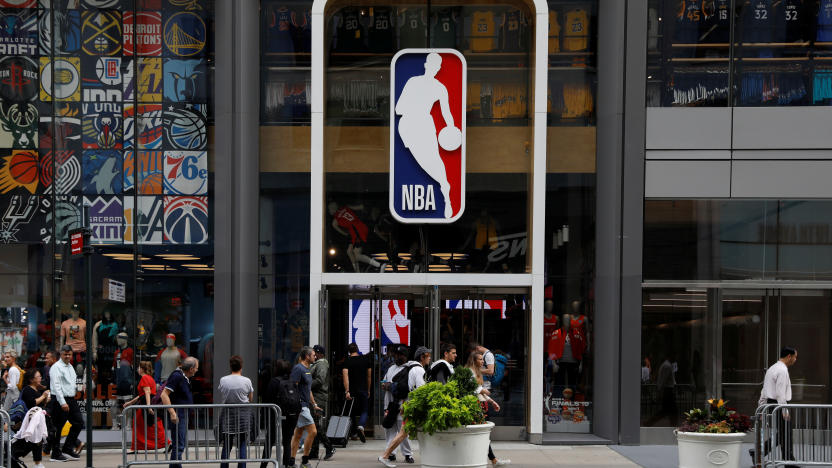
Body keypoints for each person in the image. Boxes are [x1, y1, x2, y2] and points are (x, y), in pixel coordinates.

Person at [395, 52, 459, 218]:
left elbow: (447, 113)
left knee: (434, 158)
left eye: (437, 66)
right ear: (426, 65)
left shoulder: (440, 88)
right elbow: (398, 108)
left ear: (438, 68)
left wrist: (451, 129)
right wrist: (414, 108)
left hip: (425, 124)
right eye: (432, 65)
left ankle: (446, 193)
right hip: (408, 125)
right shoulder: (413, 81)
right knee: (424, 161)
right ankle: (444, 185)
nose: (434, 68)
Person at [378, 346, 431, 467]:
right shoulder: (416, 369)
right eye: (396, 354)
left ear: (406, 356)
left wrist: (390, 386)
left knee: (403, 433)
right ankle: (387, 455)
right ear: (422, 357)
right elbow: (420, 390)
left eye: (400, 355)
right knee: (400, 432)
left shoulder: (409, 368)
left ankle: (399, 454)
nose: (397, 357)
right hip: (405, 405)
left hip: (404, 405)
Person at [466, 351, 510, 467]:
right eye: (480, 359)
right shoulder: (470, 372)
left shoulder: (477, 372)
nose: (483, 361)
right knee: (482, 434)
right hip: (476, 406)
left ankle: (492, 460)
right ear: (474, 361)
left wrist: (492, 401)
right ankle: (493, 460)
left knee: (483, 434)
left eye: (483, 359)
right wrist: (482, 390)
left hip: (481, 405)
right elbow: (472, 388)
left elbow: (479, 391)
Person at [759, 346, 798, 468]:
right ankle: (788, 461)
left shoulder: (772, 368)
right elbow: (780, 393)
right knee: (785, 433)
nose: (795, 360)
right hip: (779, 404)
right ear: (789, 356)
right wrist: (785, 410)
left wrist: (761, 406)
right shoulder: (782, 370)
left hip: (772, 404)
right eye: (795, 357)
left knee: (782, 433)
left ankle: (788, 460)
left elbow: (764, 390)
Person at [160, 356, 199, 468]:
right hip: (178, 415)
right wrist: (172, 412)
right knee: (179, 445)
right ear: (191, 368)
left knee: (180, 444)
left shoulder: (183, 377)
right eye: (196, 368)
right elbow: (164, 394)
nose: (197, 370)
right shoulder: (177, 376)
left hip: (182, 414)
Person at [48, 345, 84, 462]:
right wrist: (62, 402)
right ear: (61, 354)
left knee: (78, 422)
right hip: (59, 400)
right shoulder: (56, 367)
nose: (67, 356)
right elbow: (56, 386)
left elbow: (70, 384)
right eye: (65, 354)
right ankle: (55, 454)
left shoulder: (71, 367)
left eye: (69, 354)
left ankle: (67, 448)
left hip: (71, 399)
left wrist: (79, 388)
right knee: (58, 428)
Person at [218, 355, 254, 468]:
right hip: (243, 414)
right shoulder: (247, 381)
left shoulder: (223, 380)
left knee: (227, 444)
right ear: (241, 366)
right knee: (242, 442)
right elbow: (250, 398)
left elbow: (222, 394)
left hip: (228, 414)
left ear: (230, 366)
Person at [123, 361, 168, 452]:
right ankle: (165, 443)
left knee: (143, 427)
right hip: (146, 404)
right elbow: (142, 394)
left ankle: (136, 447)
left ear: (142, 369)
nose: (137, 369)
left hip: (144, 405)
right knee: (151, 426)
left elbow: (147, 393)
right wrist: (130, 403)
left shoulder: (144, 378)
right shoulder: (149, 378)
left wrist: (148, 407)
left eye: (139, 368)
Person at [289, 346, 322, 468]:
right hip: (300, 406)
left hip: (306, 406)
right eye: (313, 355)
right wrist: (296, 405)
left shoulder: (308, 369)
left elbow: (308, 390)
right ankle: (304, 460)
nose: (315, 356)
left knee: (298, 434)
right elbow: (293, 388)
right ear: (307, 356)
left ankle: (291, 462)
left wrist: (314, 405)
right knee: (313, 431)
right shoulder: (298, 369)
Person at [11, 369, 50, 468]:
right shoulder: (28, 389)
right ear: (32, 379)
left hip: (36, 422)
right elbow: (32, 403)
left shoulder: (37, 389)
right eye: (38, 376)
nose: (41, 378)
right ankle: (12, 456)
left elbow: (40, 405)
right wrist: (43, 396)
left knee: (37, 441)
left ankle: (38, 463)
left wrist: (45, 400)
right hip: (28, 422)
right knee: (29, 442)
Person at [260, 360, 295, 468]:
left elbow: (267, 398)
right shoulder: (292, 381)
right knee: (287, 442)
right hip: (290, 415)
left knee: (269, 441)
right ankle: (285, 465)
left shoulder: (274, 381)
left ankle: (264, 465)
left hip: (274, 416)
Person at [309, 345, 335, 460]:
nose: (313, 355)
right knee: (313, 425)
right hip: (315, 397)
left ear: (319, 353)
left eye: (314, 353)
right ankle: (314, 451)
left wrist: (307, 384)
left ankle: (329, 446)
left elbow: (320, 380)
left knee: (314, 425)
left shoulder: (322, 364)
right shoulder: (317, 364)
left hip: (318, 397)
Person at [342, 342, 371, 443]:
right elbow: (369, 376)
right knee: (364, 410)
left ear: (349, 351)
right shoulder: (365, 360)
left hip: (352, 390)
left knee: (351, 412)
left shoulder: (347, 361)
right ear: (357, 349)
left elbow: (345, 376)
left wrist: (347, 391)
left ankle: (353, 433)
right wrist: (368, 389)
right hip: (363, 389)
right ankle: (361, 426)